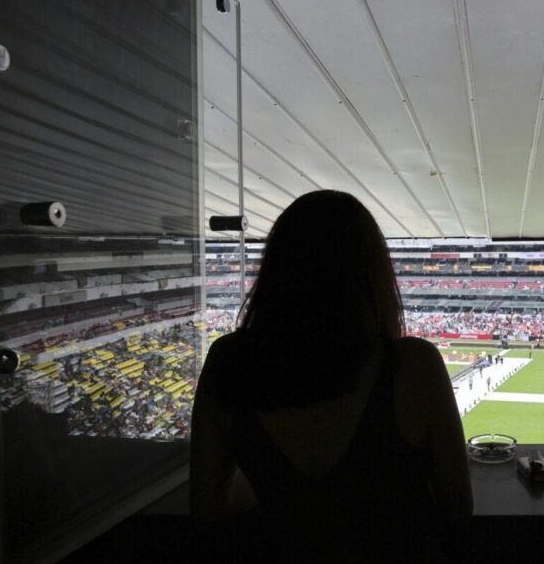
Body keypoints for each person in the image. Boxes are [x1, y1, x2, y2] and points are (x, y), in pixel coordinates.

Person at [190, 191, 472, 562]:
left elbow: (207, 512)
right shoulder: (414, 365)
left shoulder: (228, 360)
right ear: (371, 274)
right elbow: (458, 510)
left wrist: (276, 484)